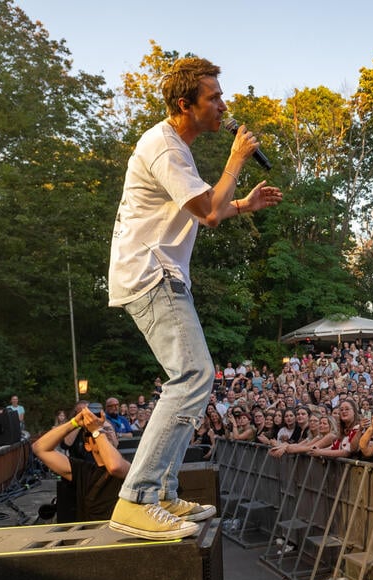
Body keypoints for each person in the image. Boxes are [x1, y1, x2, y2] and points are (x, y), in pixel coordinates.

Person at [106, 57, 282, 540]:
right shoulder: (164, 147)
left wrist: (244, 204)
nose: (223, 106)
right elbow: (206, 212)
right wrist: (236, 161)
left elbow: (207, 208)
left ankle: (160, 491)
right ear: (186, 104)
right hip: (151, 274)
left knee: (193, 379)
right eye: (214, 98)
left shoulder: (176, 149)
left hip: (158, 272)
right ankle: (137, 497)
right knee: (194, 375)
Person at [32, 409, 130, 521]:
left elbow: (115, 466)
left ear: (117, 439)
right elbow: (39, 449)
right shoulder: (83, 470)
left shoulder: (131, 467)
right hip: (91, 534)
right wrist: (74, 423)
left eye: (108, 430)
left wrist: (96, 430)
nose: (104, 433)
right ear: (88, 446)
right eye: (96, 432)